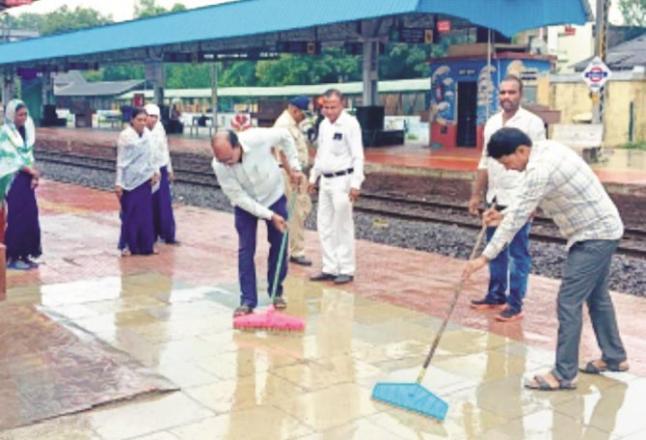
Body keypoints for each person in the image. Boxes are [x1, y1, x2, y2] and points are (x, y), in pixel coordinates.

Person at [463, 127, 628, 391]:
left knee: (568, 302)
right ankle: (614, 357)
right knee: (597, 297)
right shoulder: (547, 150)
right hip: (603, 229)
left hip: (594, 235)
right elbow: (525, 204)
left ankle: (564, 374)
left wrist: (484, 257)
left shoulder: (539, 169)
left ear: (521, 151)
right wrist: (502, 215)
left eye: (507, 163)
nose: (508, 169)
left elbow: (520, 216)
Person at [468, 75, 546, 322]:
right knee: (496, 248)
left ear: (521, 94)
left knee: (517, 253)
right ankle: (495, 294)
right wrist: (476, 194)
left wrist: (533, 202)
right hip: (496, 196)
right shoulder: (491, 123)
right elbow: (484, 160)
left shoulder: (533, 123)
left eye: (511, 92)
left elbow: (538, 162)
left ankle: (515, 303)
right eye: (502, 92)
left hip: (520, 198)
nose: (506, 97)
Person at [211, 128, 304, 317]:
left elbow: (285, 136)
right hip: (246, 205)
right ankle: (247, 300)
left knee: (280, 244)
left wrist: (294, 167)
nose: (226, 164)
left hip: (274, 195)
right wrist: (269, 216)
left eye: (229, 159)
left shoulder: (257, 138)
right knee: (246, 249)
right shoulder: (219, 165)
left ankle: (276, 291)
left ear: (237, 146)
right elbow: (238, 197)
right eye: (222, 161)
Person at [308, 89, 364, 285]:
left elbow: (358, 155)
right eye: (326, 107)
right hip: (326, 181)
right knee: (324, 224)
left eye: (333, 107)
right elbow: (320, 154)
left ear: (342, 105)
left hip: (343, 181)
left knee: (343, 226)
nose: (329, 111)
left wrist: (356, 183)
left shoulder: (350, 124)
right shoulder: (323, 125)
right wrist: (313, 177)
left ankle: (346, 268)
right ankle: (329, 267)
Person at [1, 99, 42, 270]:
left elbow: (28, 154)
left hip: (26, 180)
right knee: (16, 217)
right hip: (12, 179)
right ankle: (13, 256)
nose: (23, 118)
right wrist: (30, 171)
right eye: (20, 114)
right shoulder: (4, 133)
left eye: (25, 114)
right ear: (12, 115)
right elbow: (10, 158)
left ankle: (26, 254)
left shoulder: (26, 132)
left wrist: (34, 175)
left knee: (30, 215)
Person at [273, 96, 313, 266]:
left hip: (294, 173)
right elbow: (282, 152)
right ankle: (297, 251)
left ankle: (293, 247)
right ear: (295, 110)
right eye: (303, 115)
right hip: (289, 174)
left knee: (301, 209)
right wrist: (292, 174)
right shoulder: (284, 125)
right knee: (295, 213)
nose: (304, 118)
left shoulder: (292, 124)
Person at [116, 107, 159, 256]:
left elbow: (151, 155)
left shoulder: (148, 135)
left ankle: (146, 246)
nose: (142, 123)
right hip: (129, 181)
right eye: (139, 120)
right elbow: (121, 161)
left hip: (145, 179)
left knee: (146, 214)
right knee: (130, 214)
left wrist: (155, 171)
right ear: (132, 121)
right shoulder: (125, 136)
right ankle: (127, 245)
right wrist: (119, 183)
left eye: (144, 120)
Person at [144, 103, 177, 245]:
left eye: (155, 116)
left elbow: (164, 149)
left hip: (161, 169)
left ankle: (168, 234)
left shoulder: (160, 128)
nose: (153, 119)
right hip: (147, 172)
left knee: (164, 204)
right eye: (150, 116)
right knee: (148, 205)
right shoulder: (140, 130)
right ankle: (150, 235)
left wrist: (169, 169)